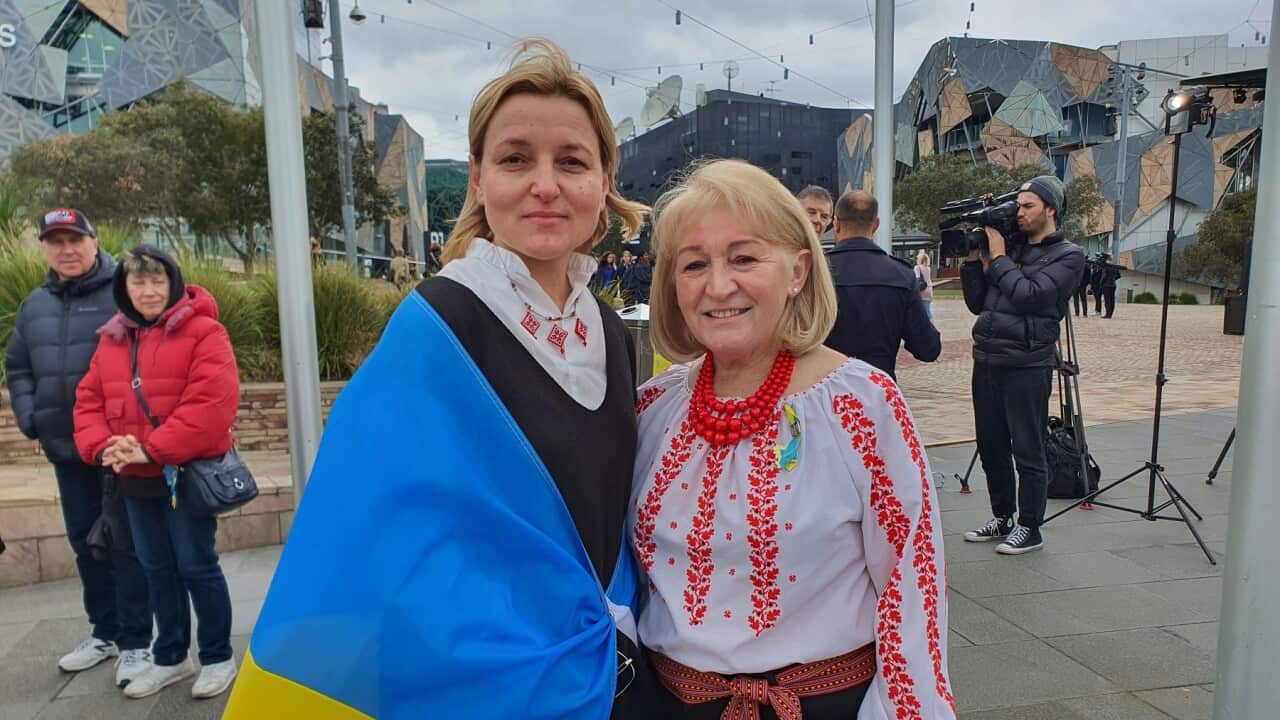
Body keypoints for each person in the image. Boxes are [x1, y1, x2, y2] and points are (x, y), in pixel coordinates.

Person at [225, 39, 664, 719]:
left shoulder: (605, 330)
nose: (545, 183)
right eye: (516, 158)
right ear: (481, 181)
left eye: (572, 161)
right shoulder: (436, 324)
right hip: (492, 687)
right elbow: (372, 537)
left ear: (602, 184)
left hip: (610, 670)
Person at [632, 159, 954, 720]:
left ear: (799, 270)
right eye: (693, 264)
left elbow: (912, 581)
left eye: (744, 258)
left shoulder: (861, 403)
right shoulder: (653, 407)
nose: (717, 285)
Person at [73, 245, 240, 700]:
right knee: (155, 569)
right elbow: (88, 401)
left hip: (184, 475)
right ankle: (170, 657)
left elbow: (211, 406)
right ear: (123, 288)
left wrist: (151, 450)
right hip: (135, 479)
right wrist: (104, 446)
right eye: (138, 282)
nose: (148, 291)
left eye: (156, 281)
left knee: (196, 566)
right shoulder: (111, 340)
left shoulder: (206, 333)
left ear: (173, 282)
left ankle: (217, 655)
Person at [4, 209, 153, 687]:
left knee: (125, 545)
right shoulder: (34, 305)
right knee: (84, 544)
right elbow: (19, 364)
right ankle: (105, 631)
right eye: (56, 242)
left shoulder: (123, 293)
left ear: (94, 241)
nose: (67, 250)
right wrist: (31, 418)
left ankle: (136, 642)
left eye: (75, 239)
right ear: (45, 248)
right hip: (67, 450)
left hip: (119, 449)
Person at [961, 176, 1084, 555]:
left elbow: (1029, 295)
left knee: (1027, 449)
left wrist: (997, 256)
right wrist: (972, 258)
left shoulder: (1069, 255)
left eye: (1028, 206)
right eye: (1018, 206)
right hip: (988, 360)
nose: (1020, 213)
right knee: (991, 445)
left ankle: (1031, 527)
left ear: (1051, 210)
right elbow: (978, 302)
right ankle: (1003, 516)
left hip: (1027, 364)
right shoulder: (1010, 251)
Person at [823, 190, 940, 379]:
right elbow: (928, 348)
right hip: (878, 392)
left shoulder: (815, 271)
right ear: (876, 225)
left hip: (823, 391)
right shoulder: (901, 274)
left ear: (836, 223)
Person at [1094, 252, 1121, 318]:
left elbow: (1104, 276)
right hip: (1113, 285)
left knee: (1107, 300)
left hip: (1106, 285)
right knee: (1112, 299)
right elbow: (1119, 275)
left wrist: (1101, 283)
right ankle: (1110, 313)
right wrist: (1113, 279)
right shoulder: (1114, 266)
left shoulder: (1106, 266)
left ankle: (1108, 314)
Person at [915, 250, 935, 319]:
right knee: (928, 310)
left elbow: (917, 279)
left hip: (922, 290)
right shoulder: (928, 268)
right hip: (929, 289)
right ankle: (930, 324)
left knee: (922, 312)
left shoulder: (917, 267)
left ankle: (928, 327)